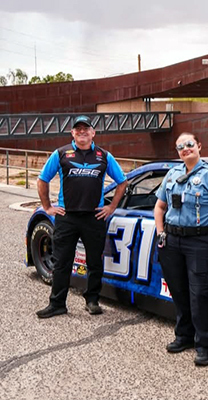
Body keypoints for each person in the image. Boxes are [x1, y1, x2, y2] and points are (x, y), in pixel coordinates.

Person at [36, 115, 128, 318]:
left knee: (94, 262)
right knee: (62, 262)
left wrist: (111, 207)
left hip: (94, 217)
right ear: (72, 133)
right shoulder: (60, 154)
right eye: (78, 129)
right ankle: (57, 303)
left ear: (93, 133)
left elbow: (122, 182)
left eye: (86, 129)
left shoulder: (104, 156)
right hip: (67, 217)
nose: (82, 132)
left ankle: (92, 300)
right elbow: (42, 179)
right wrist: (48, 207)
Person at [154, 132, 208, 367]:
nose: (185, 149)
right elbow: (159, 206)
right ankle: (184, 337)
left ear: (199, 145)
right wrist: (161, 233)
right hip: (172, 241)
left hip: (199, 242)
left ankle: (205, 346)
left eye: (189, 144)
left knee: (200, 295)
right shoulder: (172, 173)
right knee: (178, 291)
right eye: (180, 147)